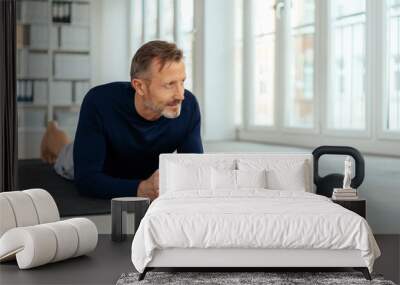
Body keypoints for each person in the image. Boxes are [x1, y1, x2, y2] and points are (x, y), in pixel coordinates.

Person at [40, 40, 203, 201]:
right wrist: (141, 189)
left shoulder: (189, 107)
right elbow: (87, 181)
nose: (180, 95)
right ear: (139, 87)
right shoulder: (99, 101)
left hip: (140, 171)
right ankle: (52, 128)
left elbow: (194, 172)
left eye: (182, 82)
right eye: (169, 85)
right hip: (99, 164)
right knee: (59, 152)